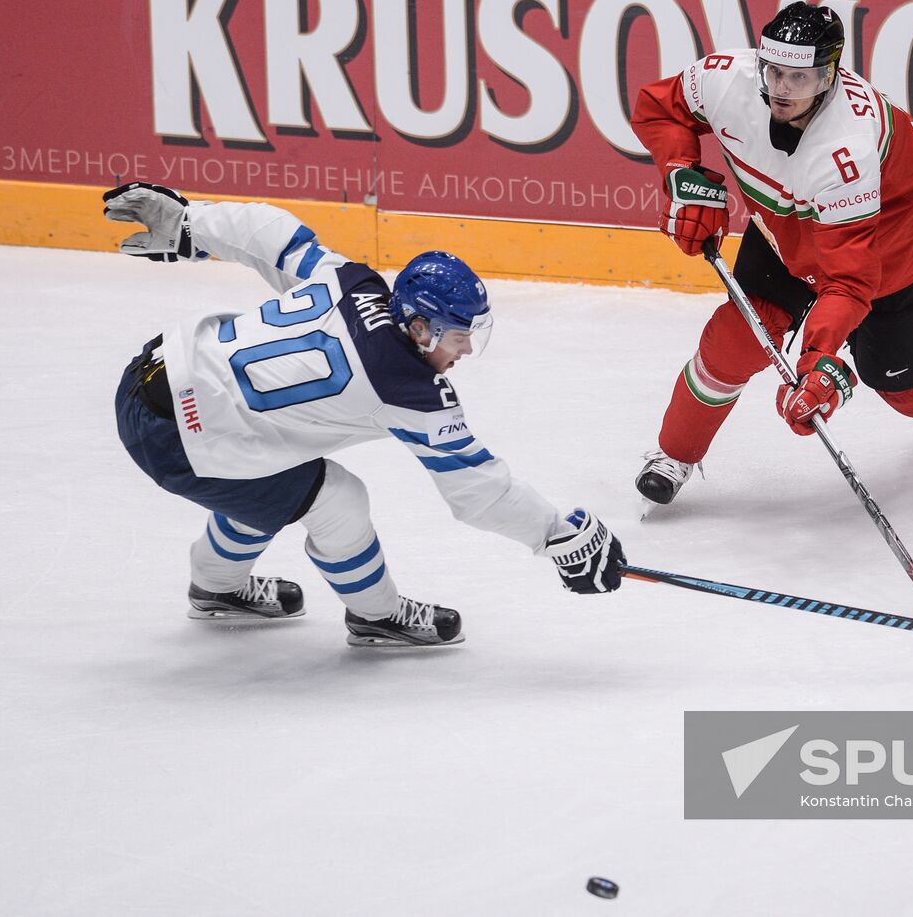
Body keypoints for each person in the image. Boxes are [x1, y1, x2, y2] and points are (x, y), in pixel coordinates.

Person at [107, 182, 623, 647]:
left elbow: (271, 236)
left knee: (273, 475)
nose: (465, 351)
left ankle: (216, 588)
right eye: (460, 337)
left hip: (146, 378)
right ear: (421, 328)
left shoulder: (352, 281)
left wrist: (191, 224)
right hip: (180, 440)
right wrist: (557, 533)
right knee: (335, 500)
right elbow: (479, 491)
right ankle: (377, 616)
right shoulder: (408, 391)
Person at [630, 1, 913, 505]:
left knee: (904, 385)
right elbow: (660, 107)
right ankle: (675, 454)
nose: (781, 89)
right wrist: (681, 174)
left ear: (829, 75)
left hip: (886, 238)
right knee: (738, 340)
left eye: (800, 77)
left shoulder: (847, 150)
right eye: (773, 71)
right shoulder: (724, 78)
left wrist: (819, 360)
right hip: (786, 221)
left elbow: (848, 282)